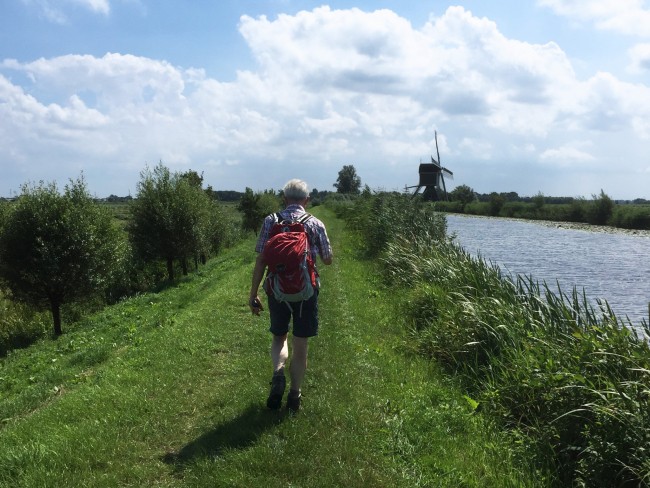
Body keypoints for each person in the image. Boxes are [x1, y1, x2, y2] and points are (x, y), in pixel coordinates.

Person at [249, 179, 333, 412]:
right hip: (306, 291)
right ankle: (294, 396)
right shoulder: (315, 223)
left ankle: (278, 373)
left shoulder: (270, 221)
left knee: (279, 337)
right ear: (307, 200)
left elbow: (261, 260)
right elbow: (327, 259)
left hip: (277, 290)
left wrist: (253, 294)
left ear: (284, 198)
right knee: (301, 343)